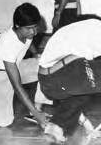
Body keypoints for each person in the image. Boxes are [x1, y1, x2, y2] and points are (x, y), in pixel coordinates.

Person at [38, 15, 101, 143]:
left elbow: (78, 96)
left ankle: (56, 128)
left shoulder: (92, 28)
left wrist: (89, 127)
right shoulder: (96, 32)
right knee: (93, 76)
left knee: (86, 88)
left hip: (51, 81)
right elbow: (79, 62)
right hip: (54, 76)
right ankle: (56, 127)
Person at [0, 3, 47, 128]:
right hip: (1, 75)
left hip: (18, 66)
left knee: (47, 66)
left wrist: (35, 55)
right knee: (4, 121)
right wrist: (37, 115)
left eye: (35, 27)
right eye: (29, 28)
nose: (34, 32)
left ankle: (36, 108)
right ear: (17, 25)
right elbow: (17, 85)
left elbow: (29, 42)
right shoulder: (7, 43)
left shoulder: (25, 32)